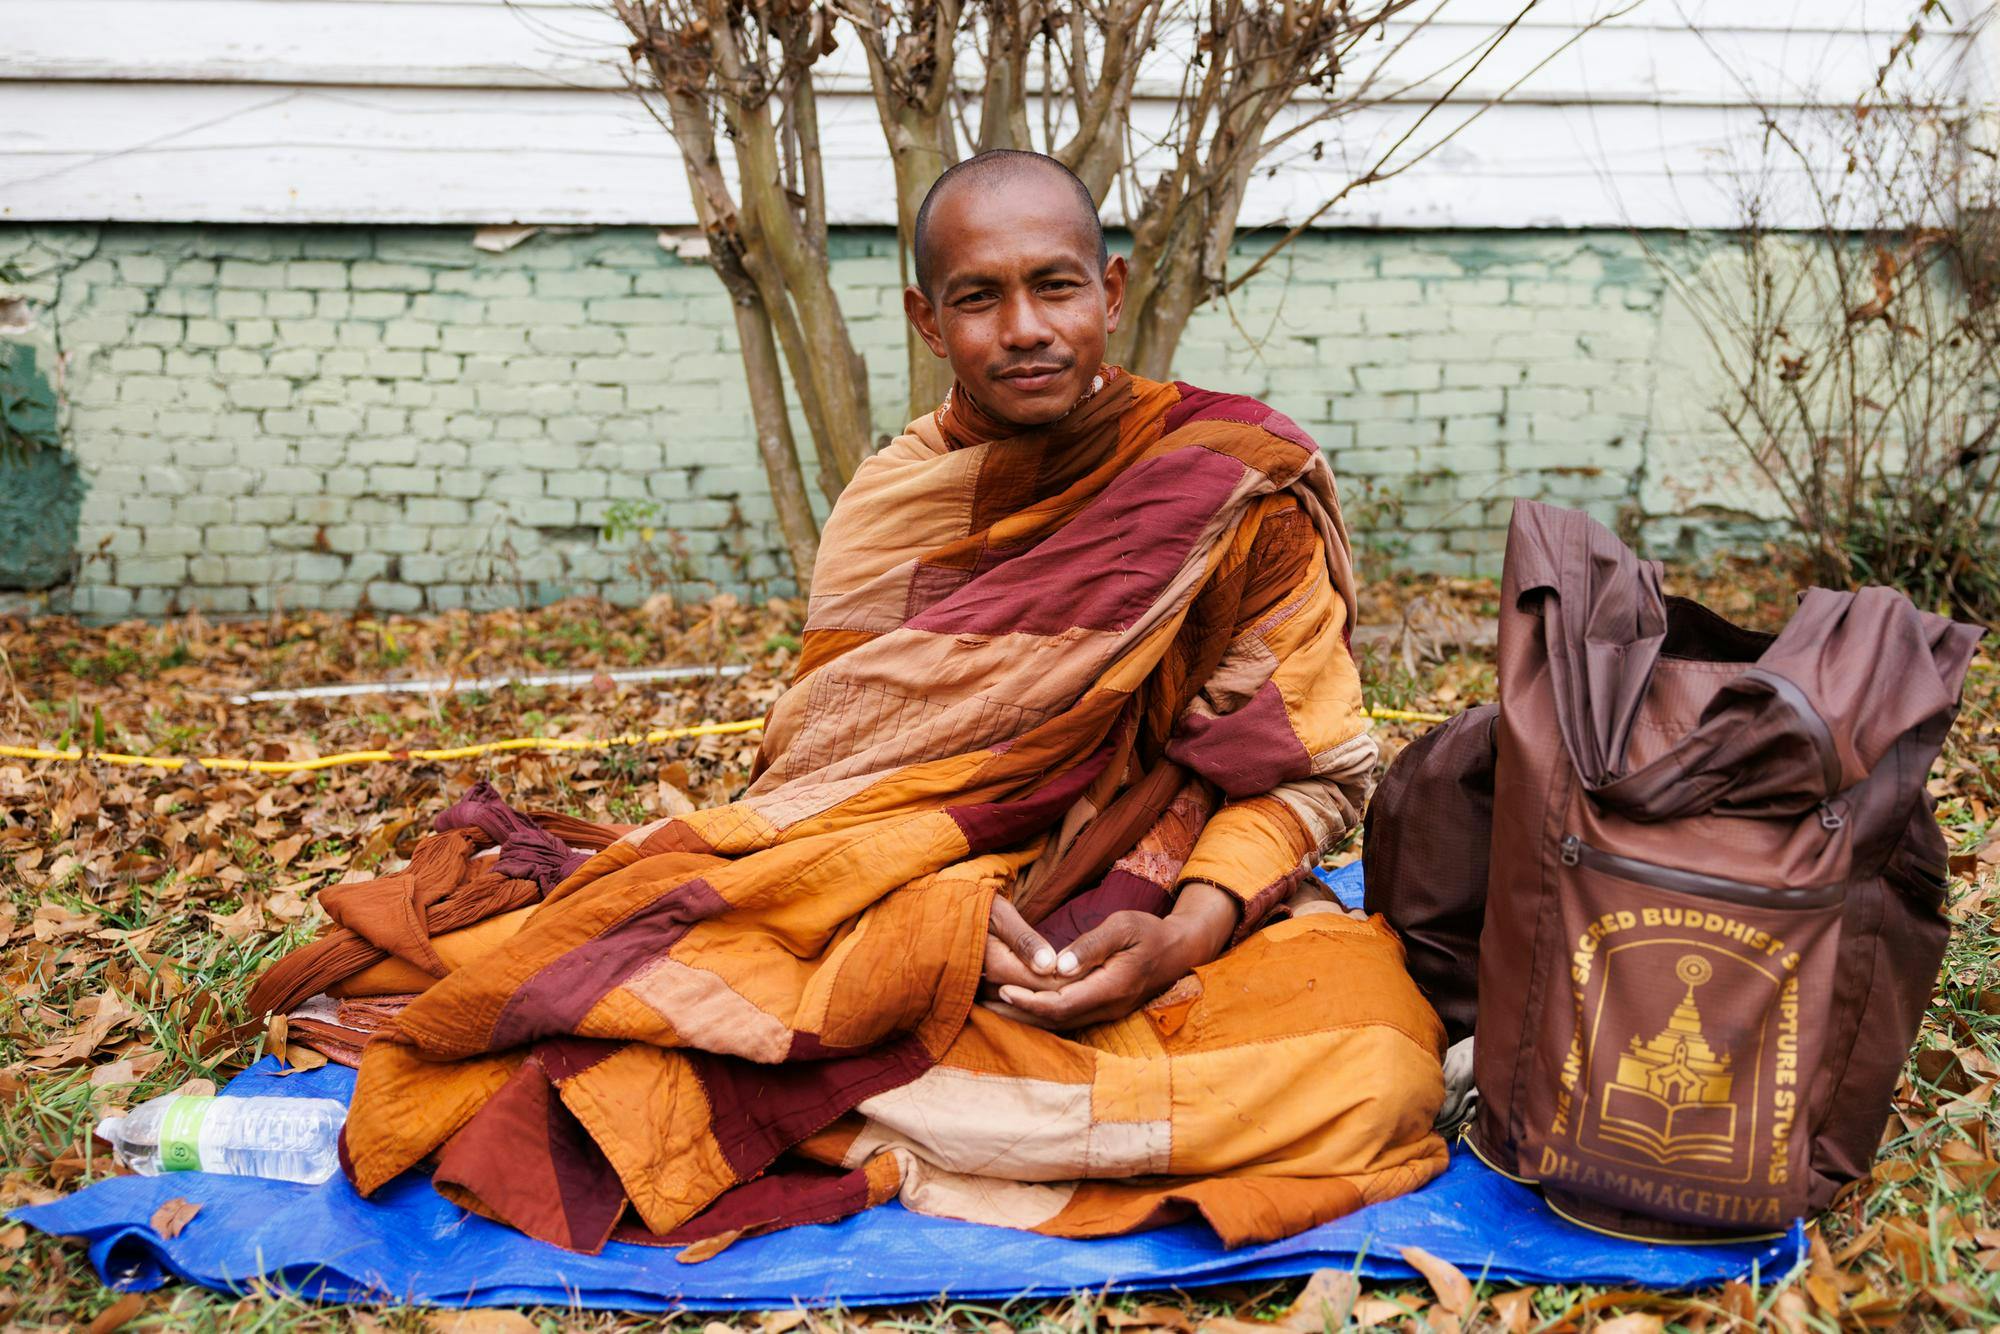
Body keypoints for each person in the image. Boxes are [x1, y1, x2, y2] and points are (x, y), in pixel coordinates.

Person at [252, 149, 1448, 1257]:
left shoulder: (1230, 481)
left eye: (1055, 287)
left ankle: (933, 1073)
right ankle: (911, 1062)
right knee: (759, 1007)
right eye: (977, 298)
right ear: (928, 319)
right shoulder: (899, 503)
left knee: (1381, 1058)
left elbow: (1302, 765)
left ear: (1112, 289)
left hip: (1160, 884)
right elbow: (832, 790)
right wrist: (928, 918)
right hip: (912, 891)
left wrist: (1187, 926)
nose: (1024, 329)